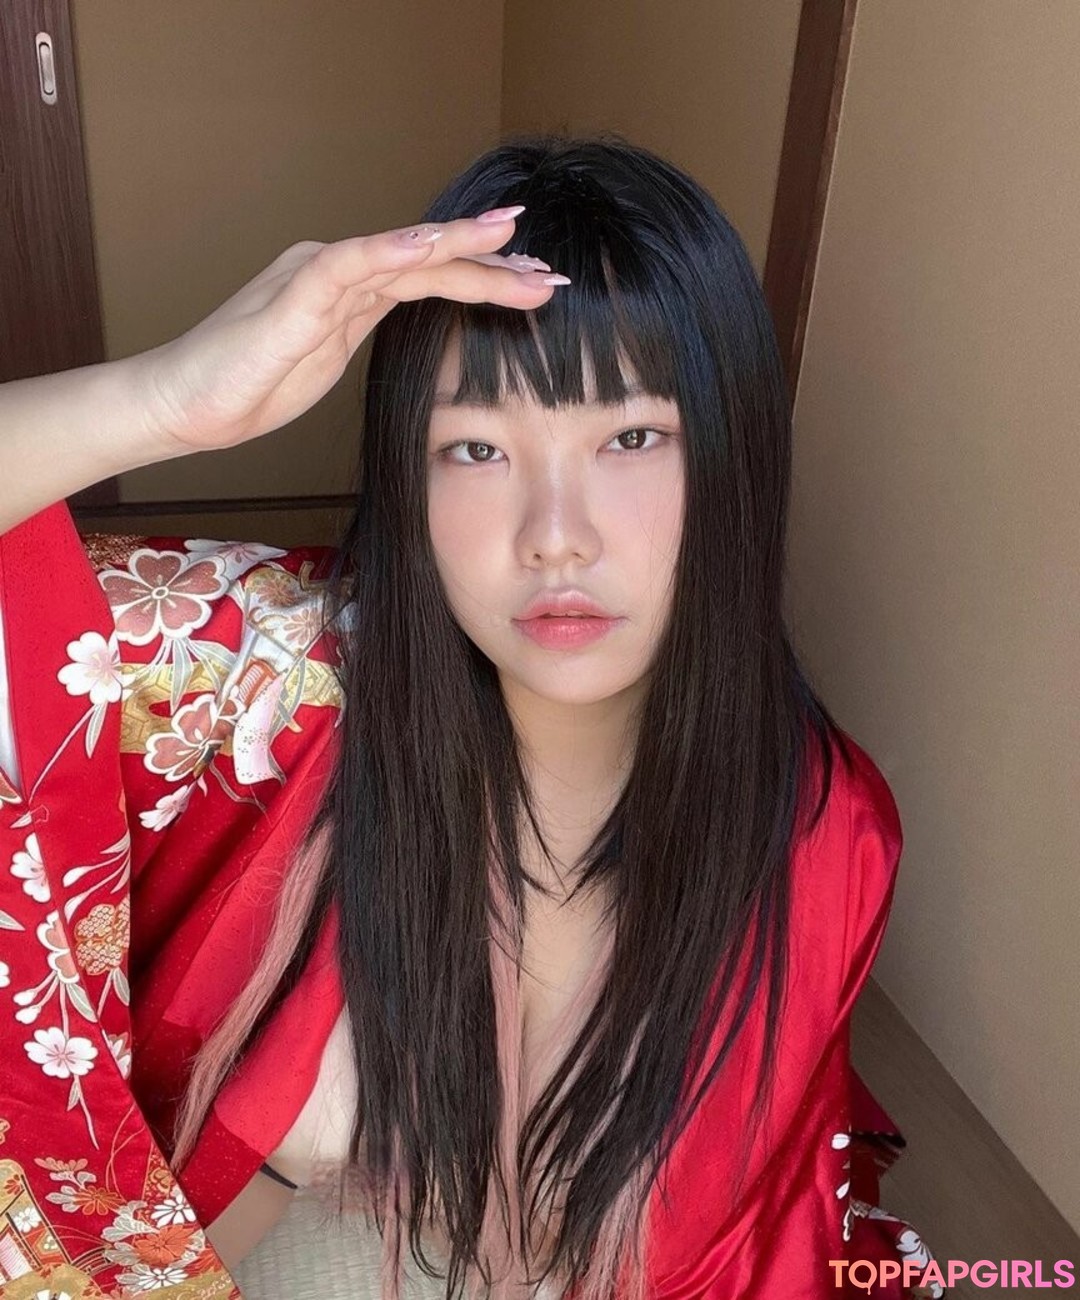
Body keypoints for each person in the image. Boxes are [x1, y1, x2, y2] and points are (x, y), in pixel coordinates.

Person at [0, 133, 946, 1299]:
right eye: (478, 447)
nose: (557, 535)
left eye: (632, 437)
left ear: (735, 455)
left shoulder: (822, 830)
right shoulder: (278, 672)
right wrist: (167, 401)